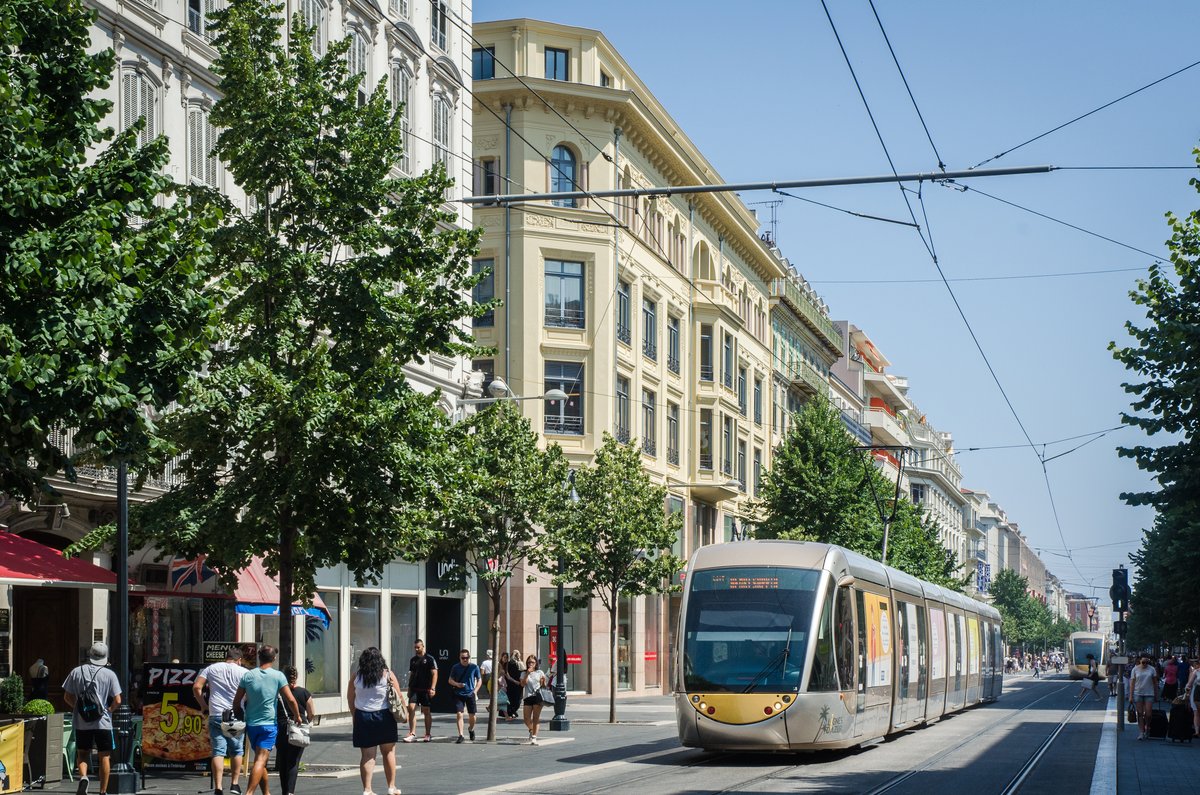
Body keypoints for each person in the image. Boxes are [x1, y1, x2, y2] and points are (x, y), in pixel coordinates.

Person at [233, 645, 301, 795]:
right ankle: (249, 793)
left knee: (260, 758)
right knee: (260, 760)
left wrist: (238, 714)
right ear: (274, 658)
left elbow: (236, 701)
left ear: (259, 657)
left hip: (251, 724)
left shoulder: (248, 675)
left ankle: (266, 793)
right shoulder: (278, 676)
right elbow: (290, 699)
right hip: (269, 724)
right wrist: (297, 716)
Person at [62, 642, 123, 795]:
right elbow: (118, 700)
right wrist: (108, 710)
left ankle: (83, 777)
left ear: (90, 655)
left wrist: (78, 708)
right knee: (105, 756)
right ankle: (103, 791)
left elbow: (67, 696)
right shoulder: (109, 674)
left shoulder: (76, 672)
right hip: (103, 722)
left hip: (82, 722)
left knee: (82, 753)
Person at [194, 647, 248, 795]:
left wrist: (203, 705)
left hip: (216, 714)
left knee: (218, 751)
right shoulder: (244, 672)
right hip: (236, 714)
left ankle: (218, 787)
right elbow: (249, 693)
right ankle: (235, 784)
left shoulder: (211, 668)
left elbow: (197, 687)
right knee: (236, 750)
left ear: (227, 657)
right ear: (239, 660)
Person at [348, 647, 401, 795]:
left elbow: (350, 697)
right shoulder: (388, 674)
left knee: (367, 756)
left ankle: (367, 789)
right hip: (384, 716)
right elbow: (398, 696)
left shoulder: (356, 676)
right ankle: (391, 787)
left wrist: (355, 715)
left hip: (363, 717)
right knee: (389, 752)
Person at [276, 666, 315, 795]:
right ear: (296, 677)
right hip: (298, 727)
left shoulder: (278, 692)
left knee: (282, 760)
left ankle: (284, 791)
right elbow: (311, 712)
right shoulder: (304, 692)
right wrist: (307, 721)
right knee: (293, 761)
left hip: (281, 727)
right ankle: (290, 792)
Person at [402, 639, 437, 743]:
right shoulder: (413, 660)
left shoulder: (430, 659)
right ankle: (412, 733)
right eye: (415, 647)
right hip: (414, 688)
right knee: (411, 708)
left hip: (426, 689)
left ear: (423, 646)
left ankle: (427, 733)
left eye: (418, 647)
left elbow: (435, 673)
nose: (417, 649)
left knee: (426, 710)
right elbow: (412, 674)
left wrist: (433, 688)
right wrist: (409, 688)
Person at [448, 649, 482, 743]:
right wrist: (457, 684)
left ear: (469, 658)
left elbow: (479, 680)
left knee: (472, 716)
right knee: (459, 713)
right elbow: (450, 680)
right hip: (459, 693)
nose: (465, 660)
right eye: (463, 658)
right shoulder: (455, 667)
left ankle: (471, 729)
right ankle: (461, 735)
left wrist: (475, 691)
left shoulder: (474, 667)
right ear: (460, 658)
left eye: (466, 658)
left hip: (470, 693)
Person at [520, 655, 548, 746]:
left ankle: (534, 737)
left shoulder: (540, 672)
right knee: (526, 719)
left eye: (532, 662)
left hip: (537, 697)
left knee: (536, 718)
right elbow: (522, 684)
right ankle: (532, 730)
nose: (530, 664)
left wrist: (543, 682)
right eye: (528, 662)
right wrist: (527, 673)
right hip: (528, 697)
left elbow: (544, 686)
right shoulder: (524, 673)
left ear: (536, 663)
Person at [1129, 654, 1159, 740]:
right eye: (1143, 662)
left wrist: (1156, 695)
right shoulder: (1135, 669)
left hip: (1149, 693)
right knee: (1140, 713)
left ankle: (1147, 727)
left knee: (1148, 714)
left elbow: (1155, 683)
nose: (1145, 664)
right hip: (1138, 693)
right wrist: (1131, 696)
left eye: (1147, 662)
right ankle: (1141, 732)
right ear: (1140, 661)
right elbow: (1132, 683)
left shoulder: (1152, 669)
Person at [505, 650, 523, 720]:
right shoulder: (509, 663)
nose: (517, 655)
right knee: (511, 699)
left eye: (518, 654)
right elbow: (507, 674)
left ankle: (513, 711)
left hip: (519, 684)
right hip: (511, 684)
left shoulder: (520, 663)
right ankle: (511, 712)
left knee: (518, 700)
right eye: (515, 654)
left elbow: (523, 671)